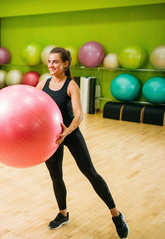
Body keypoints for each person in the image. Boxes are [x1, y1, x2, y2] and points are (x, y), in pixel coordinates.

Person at [36, 47, 129, 238]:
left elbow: (79, 115)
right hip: (51, 137)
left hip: (69, 132)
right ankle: (63, 214)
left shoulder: (71, 85)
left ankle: (116, 215)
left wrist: (67, 131)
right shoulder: (42, 84)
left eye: (55, 61)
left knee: (90, 173)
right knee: (56, 176)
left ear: (65, 64)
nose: (51, 65)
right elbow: (32, 106)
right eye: (49, 61)